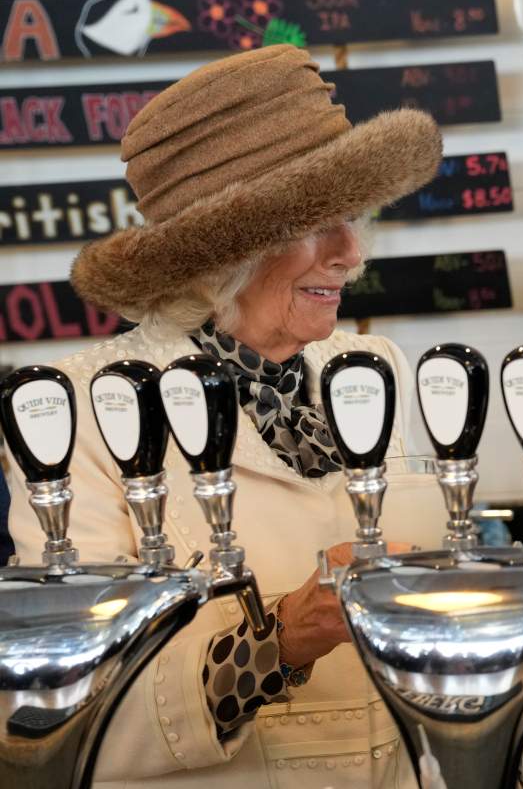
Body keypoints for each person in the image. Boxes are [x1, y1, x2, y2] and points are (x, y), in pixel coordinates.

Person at [6, 45, 442, 787]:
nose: (351, 252)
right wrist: (277, 644)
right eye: (319, 222)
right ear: (221, 257)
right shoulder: (82, 409)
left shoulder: (375, 368)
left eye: (352, 215)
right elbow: (59, 711)